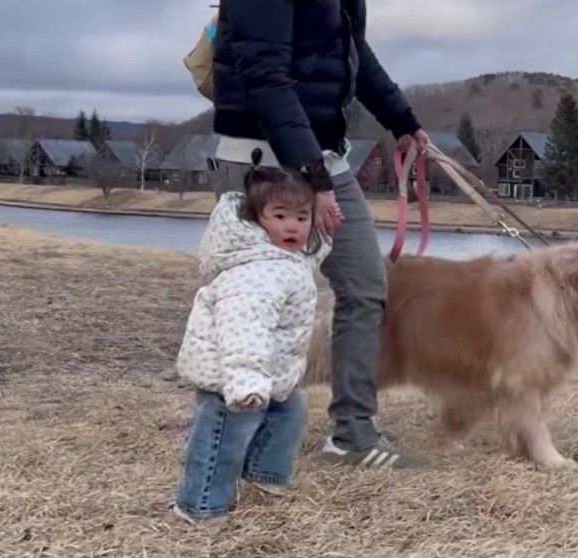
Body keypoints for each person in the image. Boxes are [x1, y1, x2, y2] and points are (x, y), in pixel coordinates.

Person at [208, 0, 428, 469]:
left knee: (366, 285)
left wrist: (402, 120)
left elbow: (353, 50)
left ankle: (353, 435)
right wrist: (313, 175)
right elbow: (264, 75)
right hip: (260, 161)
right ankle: (234, 446)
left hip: (324, 156)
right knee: (255, 306)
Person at [170, 167, 330, 523]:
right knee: (221, 440)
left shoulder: (283, 260)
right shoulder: (256, 272)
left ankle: (264, 474)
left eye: (302, 217)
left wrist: (326, 232)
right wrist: (245, 381)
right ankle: (200, 505)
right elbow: (243, 328)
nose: (293, 226)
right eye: (280, 216)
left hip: (268, 373)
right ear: (256, 222)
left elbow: (305, 259)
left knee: (289, 411)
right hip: (236, 376)